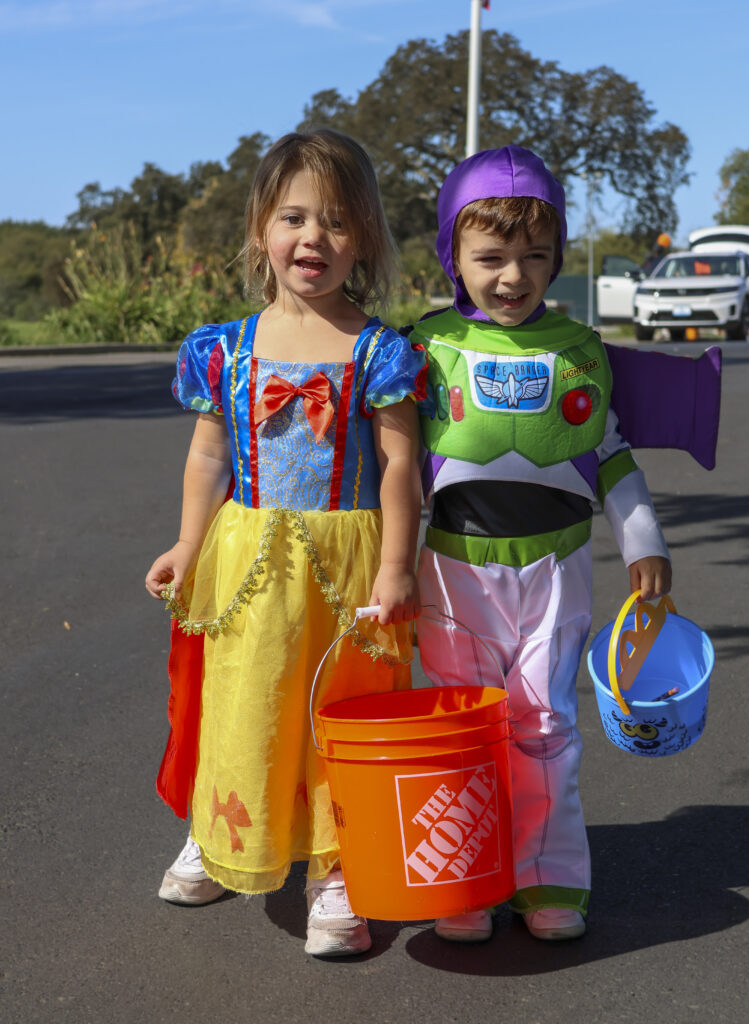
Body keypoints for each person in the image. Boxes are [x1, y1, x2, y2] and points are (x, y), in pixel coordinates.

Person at [145, 129, 427, 957]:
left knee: (343, 709)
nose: (314, 239)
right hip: (247, 556)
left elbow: (400, 464)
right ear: (261, 231)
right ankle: (223, 829)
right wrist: (187, 546)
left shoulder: (381, 351)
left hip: (348, 563)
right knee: (245, 696)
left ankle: (336, 868)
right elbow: (207, 457)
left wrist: (398, 565)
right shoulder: (223, 349)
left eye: (337, 222)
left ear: (365, 238)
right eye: (295, 218)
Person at [410, 146, 672, 944]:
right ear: (451, 255)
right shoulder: (420, 346)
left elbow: (612, 455)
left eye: (533, 257)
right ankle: (463, 878)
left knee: (545, 724)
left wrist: (643, 542)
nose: (513, 277)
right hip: (451, 575)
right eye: (489, 257)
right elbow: (384, 463)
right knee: (461, 727)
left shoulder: (580, 349)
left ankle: (548, 876)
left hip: (556, 573)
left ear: (557, 257)